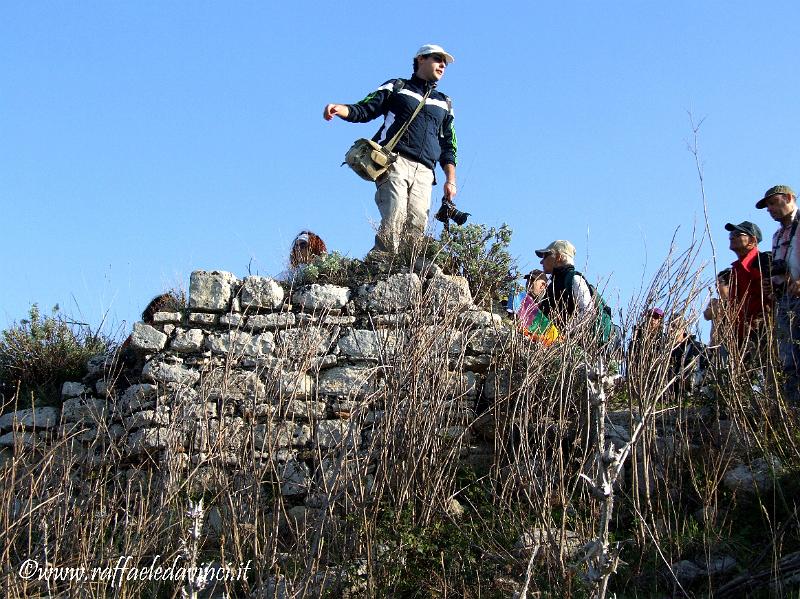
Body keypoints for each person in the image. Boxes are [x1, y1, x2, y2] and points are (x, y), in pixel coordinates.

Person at [323, 44, 458, 257]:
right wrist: (342, 109)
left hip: (425, 171)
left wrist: (450, 180)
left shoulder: (445, 103)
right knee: (394, 214)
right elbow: (366, 108)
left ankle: (407, 269)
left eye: (445, 63)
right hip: (395, 161)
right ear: (421, 59)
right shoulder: (397, 86)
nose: (442, 64)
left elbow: (449, 145)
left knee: (416, 224)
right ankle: (381, 262)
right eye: (437, 59)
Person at [756, 185, 800, 403]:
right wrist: (772, 284)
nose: (769, 209)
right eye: (767, 206)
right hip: (784, 300)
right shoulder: (776, 235)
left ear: (789, 198)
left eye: (773, 203)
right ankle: (793, 412)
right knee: (788, 358)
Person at [724, 221, 772, 351]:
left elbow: (773, 296)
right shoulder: (735, 270)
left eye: (738, 234)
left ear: (752, 240)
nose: (732, 237)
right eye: (731, 234)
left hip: (763, 335)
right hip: (739, 340)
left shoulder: (764, 262)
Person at [535, 240, 597, 335]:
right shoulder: (553, 286)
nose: (541, 261)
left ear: (559, 257)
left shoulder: (575, 279)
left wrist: (564, 334)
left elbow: (587, 312)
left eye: (545, 255)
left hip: (577, 345)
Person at [703, 268, 732, 346]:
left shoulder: (736, 302)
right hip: (714, 345)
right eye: (716, 282)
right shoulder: (714, 301)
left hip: (730, 343)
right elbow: (707, 315)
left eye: (720, 282)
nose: (716, 285)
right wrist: (723, 300)